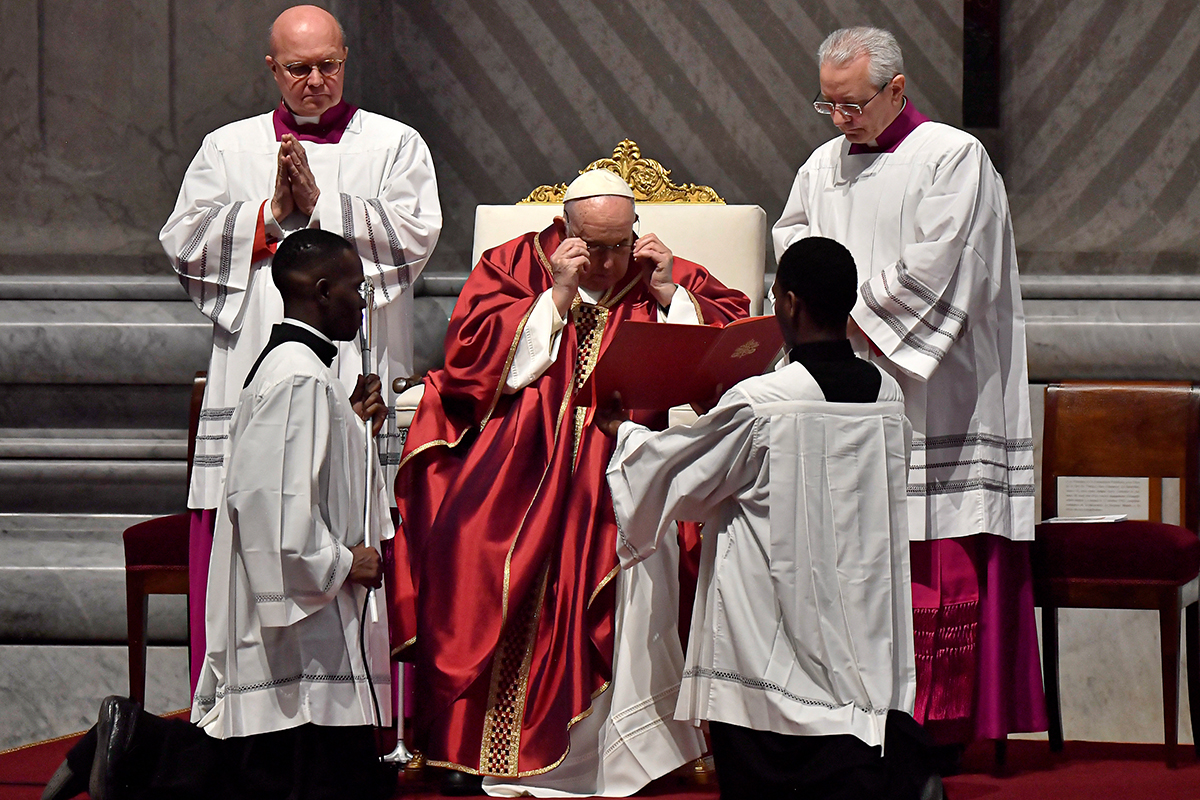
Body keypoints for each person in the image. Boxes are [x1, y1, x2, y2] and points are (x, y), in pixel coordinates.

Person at [394, 169, 750, 796]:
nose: (611, 263)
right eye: (596, 246)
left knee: (639, 549)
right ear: (566, 229)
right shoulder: (513, 263)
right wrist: (554, 298)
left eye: (621, 244)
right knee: (470, 546)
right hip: (519, 453)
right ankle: (468, 743)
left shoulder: (659, 268)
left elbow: (733, 349)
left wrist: (672, 297)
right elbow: (467, 359)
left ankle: (621, 753)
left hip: (635, 456)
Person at [42, 229, 393, 800]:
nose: (363, 300)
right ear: (323, 291)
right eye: (356, 287)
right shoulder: (299, 376)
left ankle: (127, 739)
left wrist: (352, 422)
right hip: (301, 623)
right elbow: (270, 504)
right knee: (279, 778)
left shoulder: (295, 368)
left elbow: (296, 472)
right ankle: (132, 740)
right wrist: (343, 562)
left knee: (271, 773)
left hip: (300, 621)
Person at [773, 26, 1045, 756]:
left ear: (897, 88)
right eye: (827, 105)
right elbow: (791, 238)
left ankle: (938, 725)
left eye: (853, 103)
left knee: (934, 549)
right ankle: (850, 714)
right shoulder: (822, 163)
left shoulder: (953, 156)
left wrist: (838, 313)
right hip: (847, 382)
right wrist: (821, 311)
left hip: (937, 385)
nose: (840, 120)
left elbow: (942, 265)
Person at [160, 4, 441, 693]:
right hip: (256, 366)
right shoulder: (227, 148)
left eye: (329, 65)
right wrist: (267, 217)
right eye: (299, 68)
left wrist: (325, 206)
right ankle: (238, 716)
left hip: (353, 369)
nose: (316, 81)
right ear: (271, 68)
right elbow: (184, 243)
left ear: (345, 59)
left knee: (346, 520)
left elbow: (414, 239)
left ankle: (362, 720)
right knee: (255, 520)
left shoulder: (396, 144)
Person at [599, 236, 941, 800]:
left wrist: (626, 433)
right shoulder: (886, 395)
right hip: (860, 634)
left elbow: (682, 477)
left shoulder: (765, 401)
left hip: (772, 640)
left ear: (788, 303)